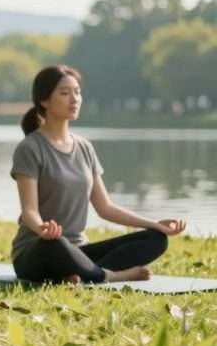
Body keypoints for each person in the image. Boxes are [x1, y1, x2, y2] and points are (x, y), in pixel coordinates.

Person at [10, 65, 186, 284]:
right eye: (65, 93)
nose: (74, 99)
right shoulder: (30, 148)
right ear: (44, 101)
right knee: (56, 242)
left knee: (156, 240)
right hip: (38, 251)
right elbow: (29, 211)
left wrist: (154, 224)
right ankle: (107, 276)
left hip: (79, 252)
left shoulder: (84, 147)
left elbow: (105, 208)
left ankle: (79, 274)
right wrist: (42, 229)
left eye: (77, 92)